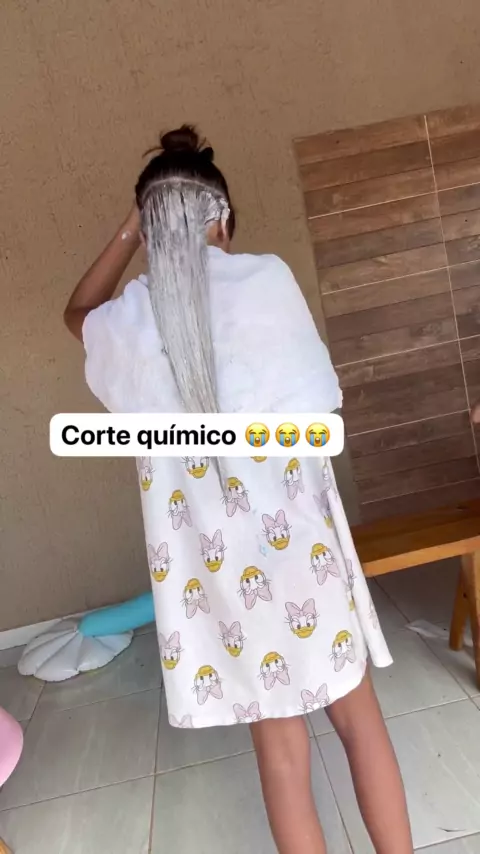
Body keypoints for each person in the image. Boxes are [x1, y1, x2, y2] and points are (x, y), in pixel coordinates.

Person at [64, 126, 414, 854]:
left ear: (151, 229)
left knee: (281, 757)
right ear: (222, 220)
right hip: (304, 553)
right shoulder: (268, 284)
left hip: (223, 575)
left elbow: (76, 313)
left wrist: (130, 230)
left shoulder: (129, 322)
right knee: (360, 722)